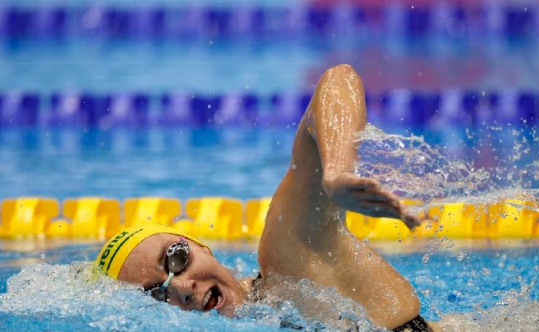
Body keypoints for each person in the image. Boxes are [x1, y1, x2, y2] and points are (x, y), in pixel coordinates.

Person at [95, 64, 436, 331]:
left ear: (200, 246)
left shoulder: (292, 266)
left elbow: (338, 80)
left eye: (175, 260)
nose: (182, 289)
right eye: (156, 294)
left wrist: (336, 172)